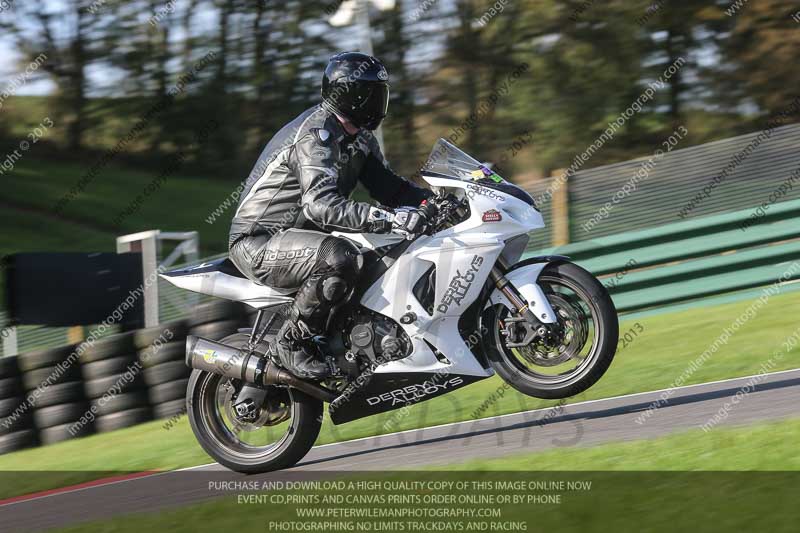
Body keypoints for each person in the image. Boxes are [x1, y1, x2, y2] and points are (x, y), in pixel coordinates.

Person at [228, 52, 431, 380]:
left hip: (303, 238)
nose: (379, 101)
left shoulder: (360, 138)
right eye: (371, 93)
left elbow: (390, 188)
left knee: (381, 252)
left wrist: (435, 202)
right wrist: (387, 218)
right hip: (259, 240)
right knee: (340, 256)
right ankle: (290, 343)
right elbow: (319, 205)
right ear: (348, 94)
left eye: (381, 92)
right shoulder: (316, 134)